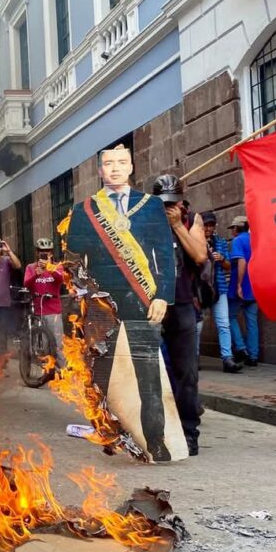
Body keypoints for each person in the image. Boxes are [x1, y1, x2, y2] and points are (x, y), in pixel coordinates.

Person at [65, 145, 186, 462]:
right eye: (108, 163)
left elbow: (165, 256)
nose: (115, 168)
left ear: (131, 167)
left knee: (148, 377)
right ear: (100, 171)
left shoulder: (150, 207)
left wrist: (163, 295)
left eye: (121, 163)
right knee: (100, 375)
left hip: (142, 300)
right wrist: (85, 295)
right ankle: (105, 431)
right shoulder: (85, 210)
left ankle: (155, 441)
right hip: (102, 304)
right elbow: (74, 259)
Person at [152, 175, 208, 456]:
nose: (168, 209)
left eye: (172, 204)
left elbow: (199, 256)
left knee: (187, 372)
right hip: (151, 305)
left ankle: (189, 432)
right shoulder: (146, 222)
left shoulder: (191, 219)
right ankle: (155, 430)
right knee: (150, 373)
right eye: (163, 205)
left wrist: (176, 225)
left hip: (183, 303)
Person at [201, 211, 242, 373]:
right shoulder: (195, 241)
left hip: (219, 287)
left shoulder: (220, 242)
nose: (209, 228)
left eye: (211, 225)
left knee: (224, 323)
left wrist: (221, 259)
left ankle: (227, 358)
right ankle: (194, 357)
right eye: (206, 225)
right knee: (197, 326)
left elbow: (229, 267)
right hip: (201, 289)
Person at [23, 238, 67, 370]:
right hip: (38, 310)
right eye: (42, 251)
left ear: (51, 253)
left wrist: (50, 268)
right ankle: (46, 371)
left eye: (47, 251)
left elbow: (61, 279)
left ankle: (63, 371)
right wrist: (35, 275)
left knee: (58, 343)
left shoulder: (57, 266)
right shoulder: (31, 267)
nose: (45, 253)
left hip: (53, 311)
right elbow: (26, 284)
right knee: (42, 344)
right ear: (37, 252)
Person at [228, 216, 260, 366]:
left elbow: (241, 261)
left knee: (230, 317)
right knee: (252, 322)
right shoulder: (256, 240)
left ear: (236, 228)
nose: (232, 231)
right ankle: (253, 356)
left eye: (233, 228)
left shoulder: (238, 241)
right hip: (255, 287)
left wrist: (239, 284)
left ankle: (241, 348)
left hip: (240, 288)